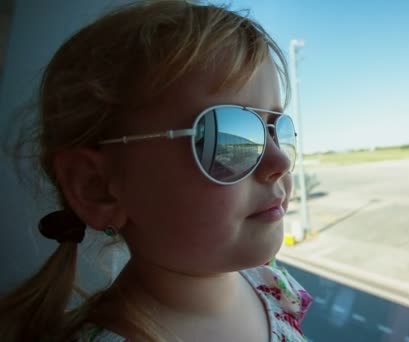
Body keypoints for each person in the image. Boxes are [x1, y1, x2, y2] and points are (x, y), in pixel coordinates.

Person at [0, 1, 312, 341]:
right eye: (225, 136)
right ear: (97, 186)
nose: (279, 162)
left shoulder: (268, 286)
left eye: (275, 129)